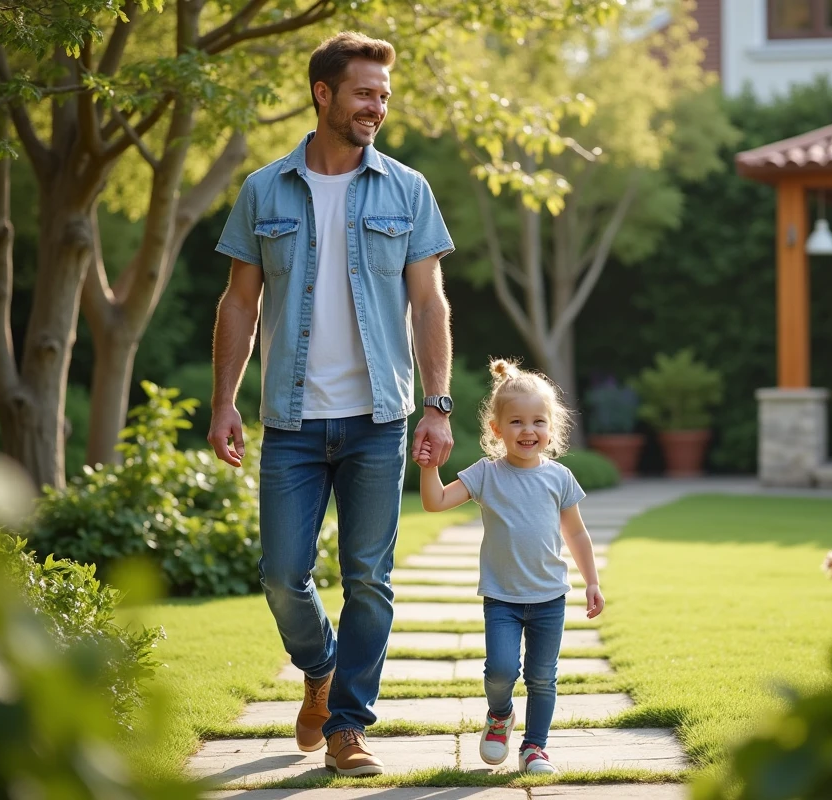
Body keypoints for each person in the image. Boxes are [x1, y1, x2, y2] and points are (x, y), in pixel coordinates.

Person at [207, 31, 456, 778]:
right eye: (364, 93)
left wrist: (438, 405)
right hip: (289, 419)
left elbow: (429, 302)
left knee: (370, 579)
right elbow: (239, 303)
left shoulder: (408, 188)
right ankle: (318, 668)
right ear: (324, 94)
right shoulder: (264, 189)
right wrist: (223, 401)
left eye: (383, 94)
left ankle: (348, 725)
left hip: (379, 419)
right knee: (282, 575)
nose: (377, 106)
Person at [418, 359, 605, 775]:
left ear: (551, 429)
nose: (528, 430)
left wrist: (591, 581)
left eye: (538, 421)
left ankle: (535, 748)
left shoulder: (559, 478)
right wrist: (429, 466)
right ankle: (499, 715)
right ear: (497, 429)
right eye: (517, 422)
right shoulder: (486, 474)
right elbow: (436, 502)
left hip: (549, 597)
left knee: (542, 678)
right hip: (502, 597)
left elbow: (576, 534)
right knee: (501, 670)